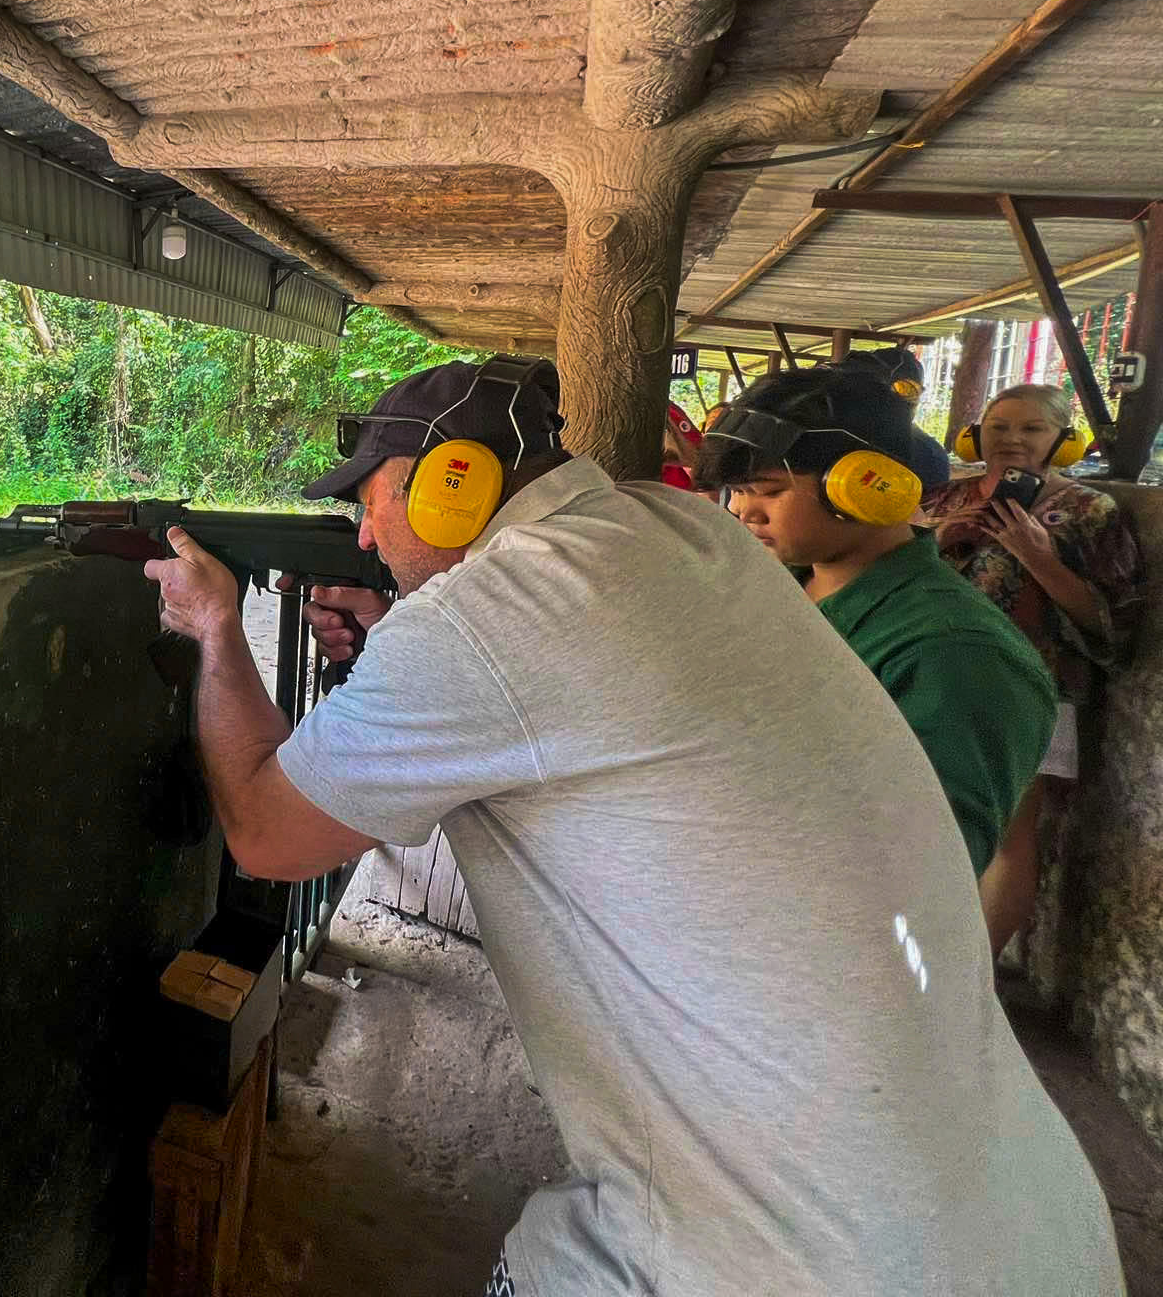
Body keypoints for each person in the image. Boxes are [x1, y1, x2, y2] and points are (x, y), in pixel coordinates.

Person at [145, 357, 1119, 1295]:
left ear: (456, 482)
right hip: (1008, 1218)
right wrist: (410, 635)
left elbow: (267, 838)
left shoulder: (491, 620)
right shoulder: (680, 533)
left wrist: (215, 631)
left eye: (373, 500)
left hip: (779, 1251)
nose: (361, 535)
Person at [694, 366, 1055, 880]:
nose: (744, 512)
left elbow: (927, 866)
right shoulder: (777, 590)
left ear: (866, 488)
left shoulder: (954, 653)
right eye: (739, 492)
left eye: (768, 491)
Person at [922, 383, 1144, 954]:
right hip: (931, 677)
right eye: (999, 428)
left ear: (1061, 442)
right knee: (924, 823)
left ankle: (974, 975)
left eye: (1032, 429)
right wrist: (938, 541)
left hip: (1030, 687)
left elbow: (1111, 624)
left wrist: (1038, 557)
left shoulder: (1088, 511)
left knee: (1007, 833)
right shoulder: (944, 499)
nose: (1013, 441)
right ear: (975, 437)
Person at [834, 345, 951, 491]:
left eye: (906, 389)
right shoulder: (827, 436)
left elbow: (927, 511)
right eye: (874, 390)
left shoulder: (929, 456)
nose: (889, 399)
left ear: (919, 394)